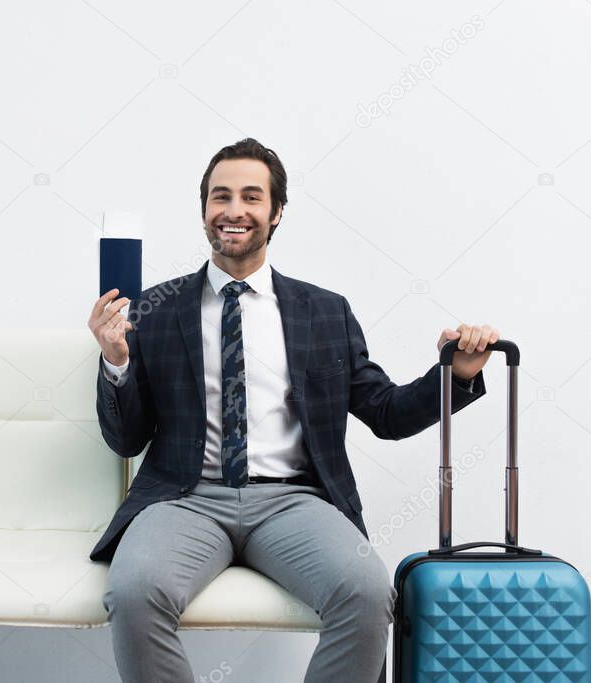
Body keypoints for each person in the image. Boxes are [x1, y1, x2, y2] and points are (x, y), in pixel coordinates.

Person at [86, 138, 500, 683]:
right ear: (204, 210)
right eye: (220, 197)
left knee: (369, 592)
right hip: (185, 499)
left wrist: (455, 374)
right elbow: (127, 440)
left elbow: (387, 413)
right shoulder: (154, 310)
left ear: (276, 211)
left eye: (251, 197)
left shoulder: (324, 311)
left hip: (292, 501)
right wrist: (115, 362)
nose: (234, 210)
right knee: (134, 593)